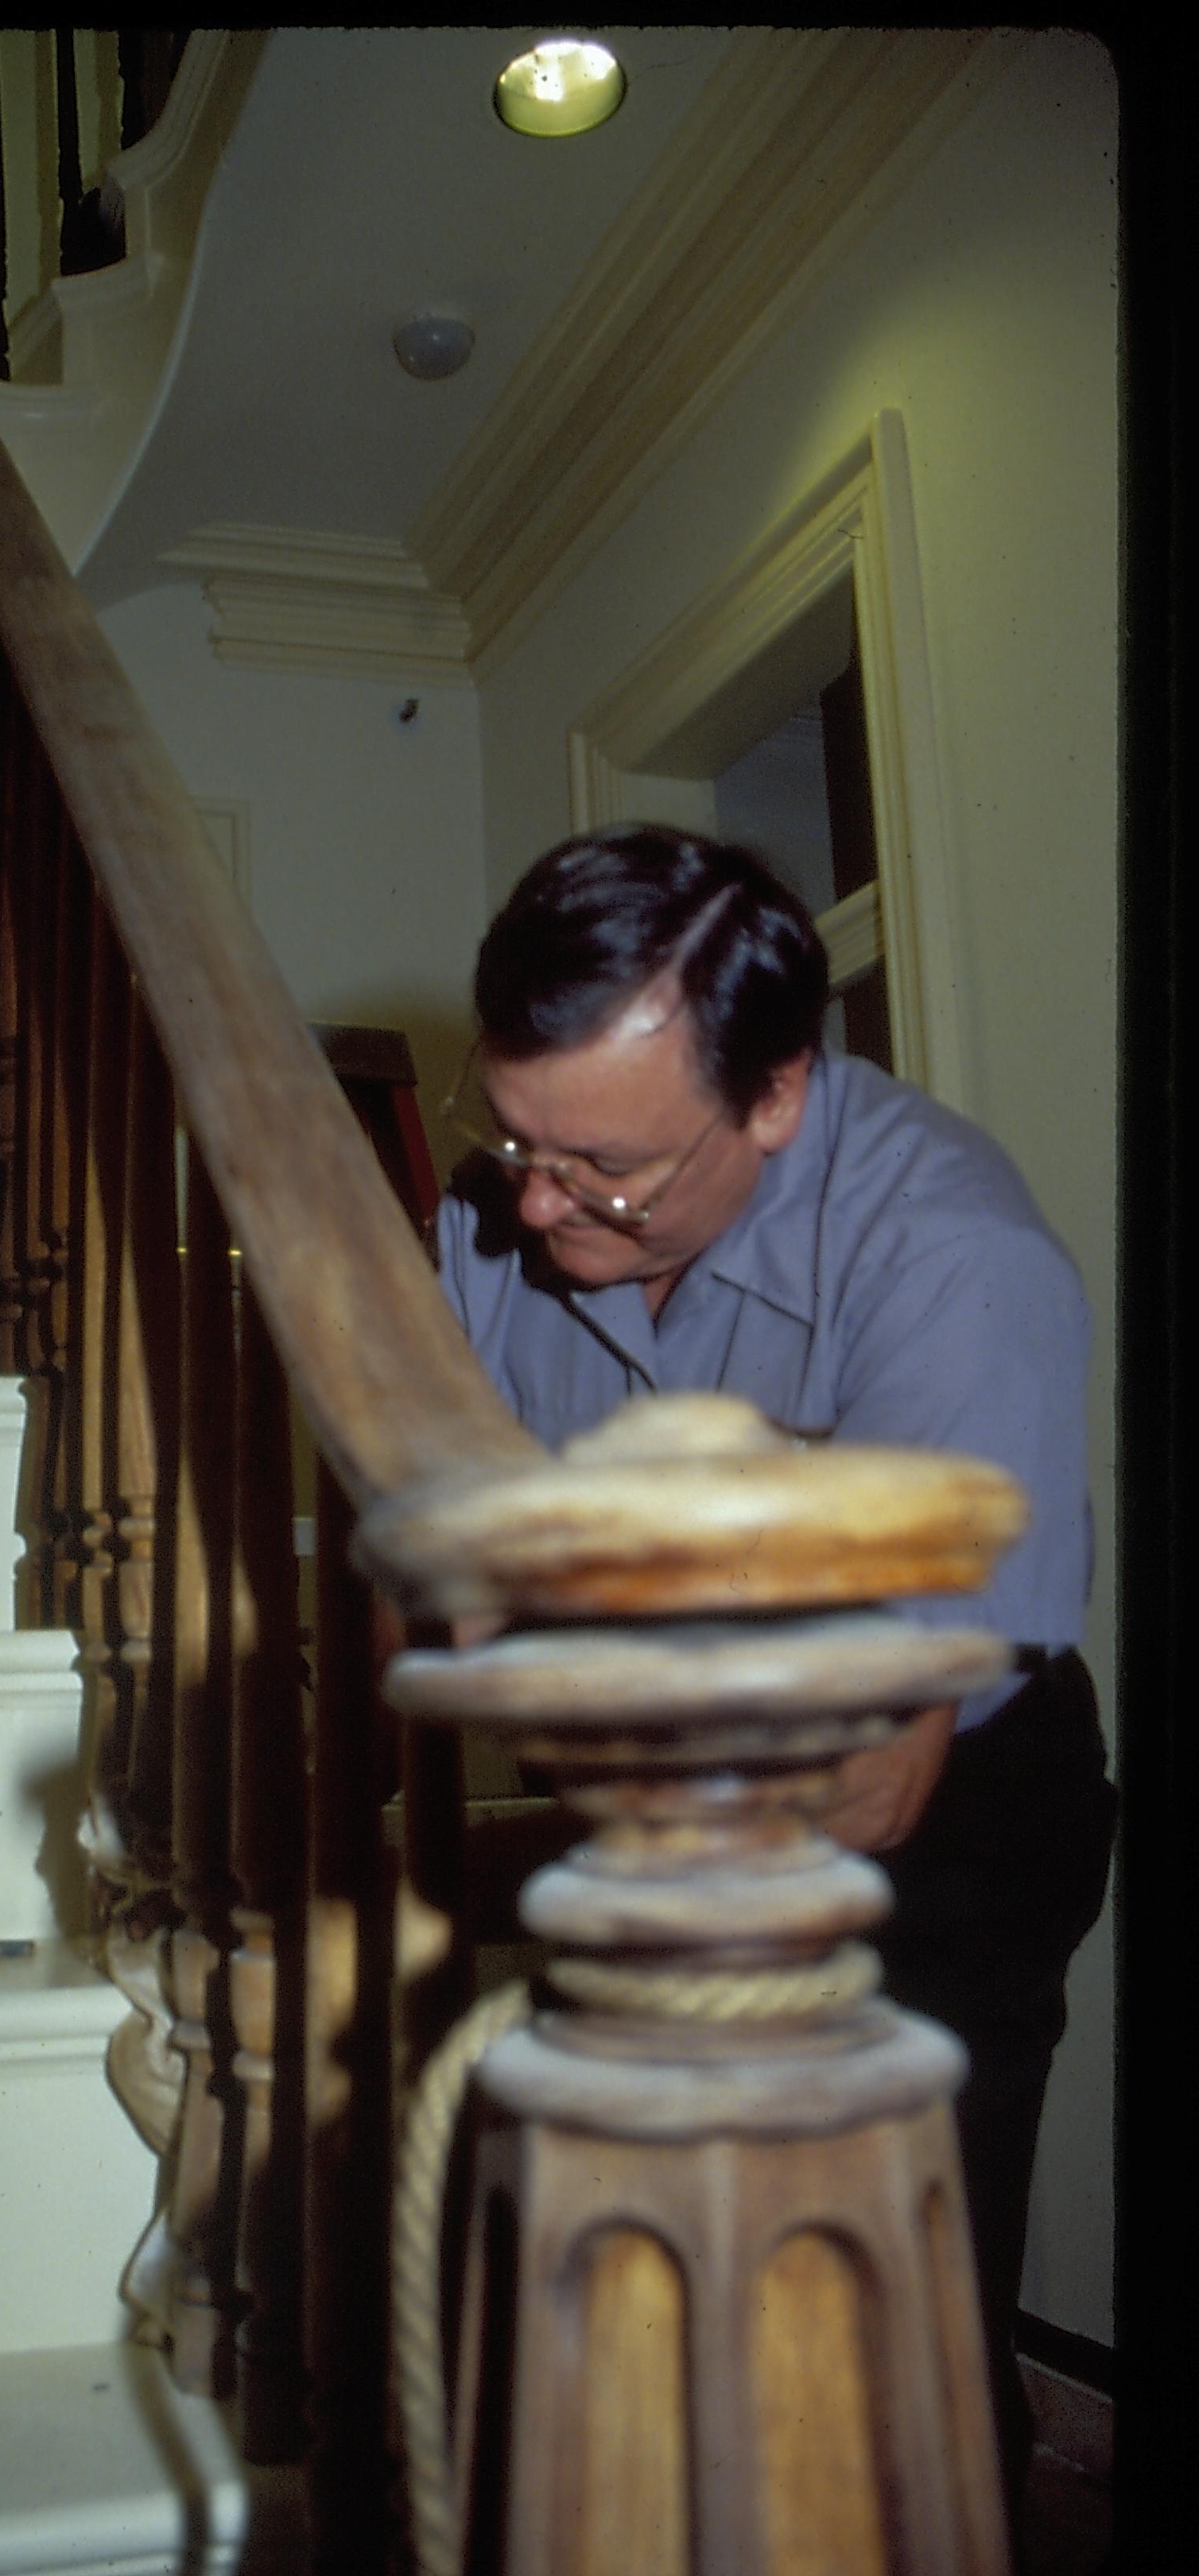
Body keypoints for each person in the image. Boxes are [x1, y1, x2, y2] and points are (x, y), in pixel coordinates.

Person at [433, 822, 1116, 2533]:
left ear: (779, 1099)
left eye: (601, 1172)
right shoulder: (508, 1208)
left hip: (943, 1814)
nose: (532, 1205)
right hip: (684, 1778)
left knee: (880, 2348)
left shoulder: (959, 1270)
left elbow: (879, 1777)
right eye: (514, 1137)